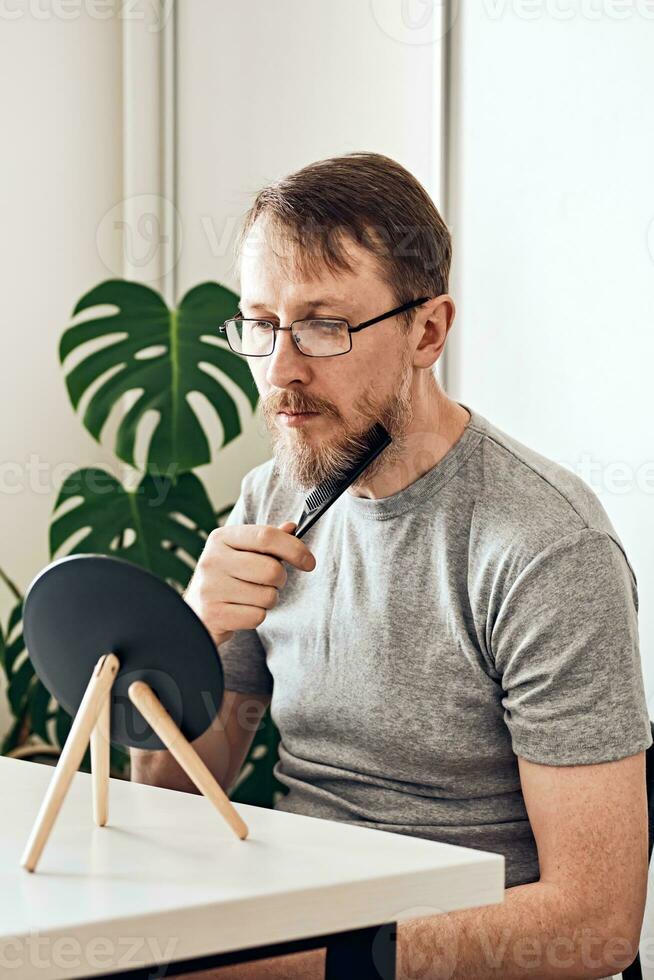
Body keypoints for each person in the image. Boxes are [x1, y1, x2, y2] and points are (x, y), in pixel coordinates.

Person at [131, 152, 651, 979]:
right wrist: (191, 634)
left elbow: (596, 920)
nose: (281, 372)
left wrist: (289, 966)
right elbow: (170, 801)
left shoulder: (544, 547)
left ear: (429, 331)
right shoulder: (271, 499)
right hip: (299, 926)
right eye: (261, 326)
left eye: (323, 327)